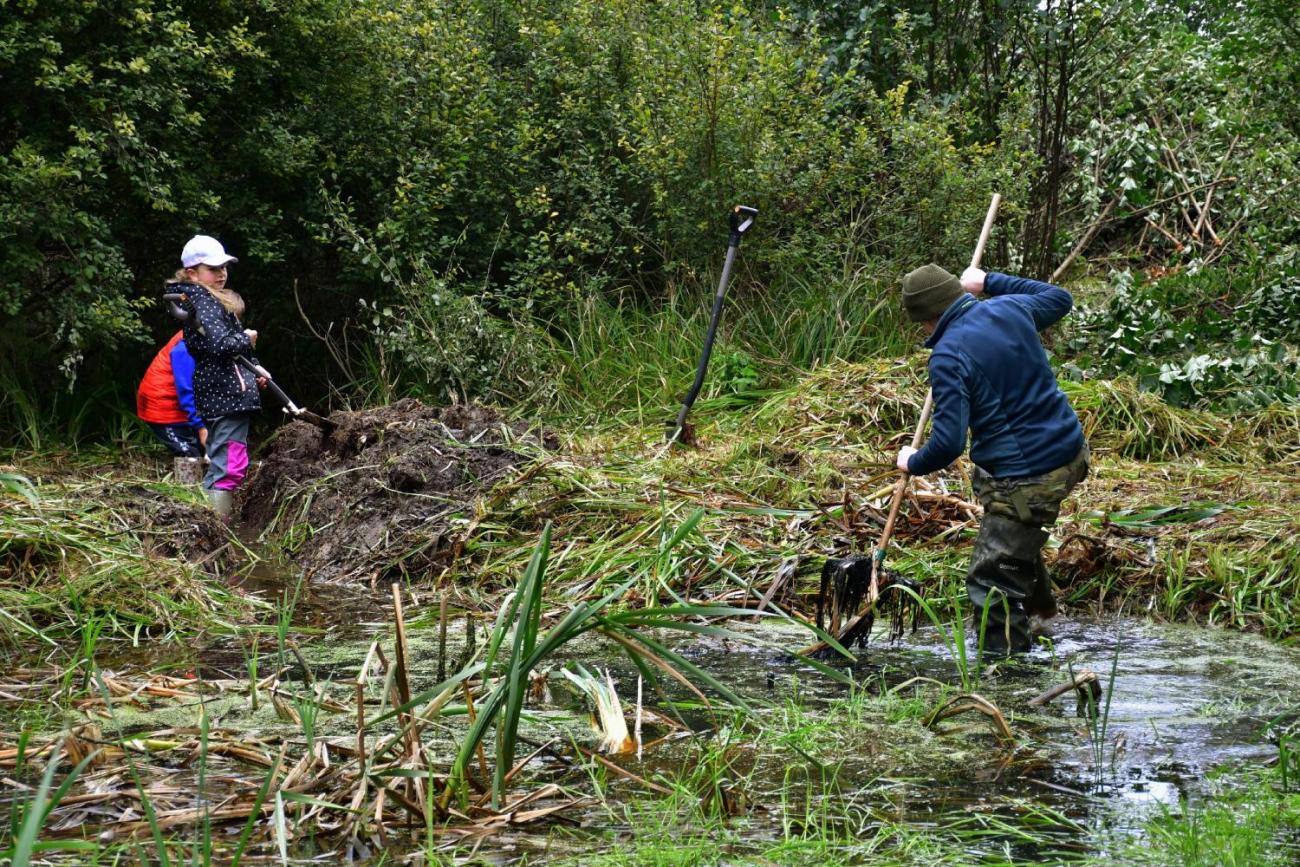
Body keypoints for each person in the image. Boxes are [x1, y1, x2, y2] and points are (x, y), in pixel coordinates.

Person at [896, 263, 1089, 653]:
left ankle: (1007, 678)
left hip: (1029, 477)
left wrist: (912, 462)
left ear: (925, 321)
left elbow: (949, 443)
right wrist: (989, 282)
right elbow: (1059, 298)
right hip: (1070, 451)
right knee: (1015, 540)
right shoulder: (1010, 308)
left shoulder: (948, 356)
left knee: (990, 581)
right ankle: (1043, 621)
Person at [170, 234, 263, 517]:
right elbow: (222, 345)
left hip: (223, 394)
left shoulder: (206, 300)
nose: (221, 273)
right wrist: (247, 338)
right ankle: (216, 530)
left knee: (224, 461)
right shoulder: (205, 303)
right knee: (229, 467)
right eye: (213, 269)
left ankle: (212, 524)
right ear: (192, 272)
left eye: (224, 267)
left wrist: (255, 368)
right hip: (227, 398)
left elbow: (226, 352)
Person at [136, 330, 205, 458]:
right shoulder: (187, 344)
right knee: (190, 457)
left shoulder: (213, 336)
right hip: (164, 405)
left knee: (206, 450)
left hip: (185, 404)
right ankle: (189, 476)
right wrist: (201, 426)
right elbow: (186, 389)